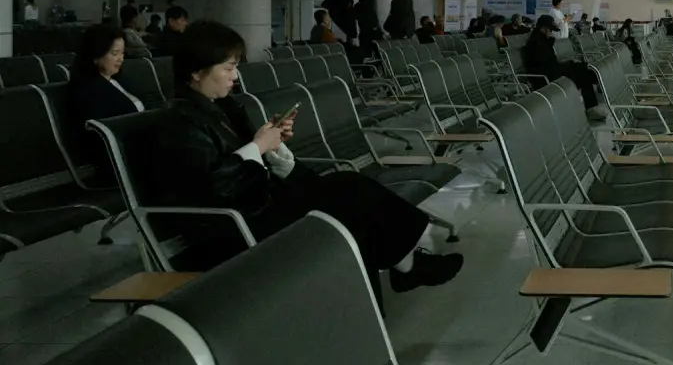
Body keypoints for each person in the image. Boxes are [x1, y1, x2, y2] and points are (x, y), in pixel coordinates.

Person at [152, 20, 463, 299]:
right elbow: (214, 186)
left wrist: (272, 143)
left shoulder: (224, 106)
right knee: (349, 195)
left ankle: (405, 266)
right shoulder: (180, 121)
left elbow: (244, 157)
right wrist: (259, 146)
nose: (235, 76)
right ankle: (406, 265)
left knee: (351, 195)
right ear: (196, 72)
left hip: (256, 203)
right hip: (230, 225)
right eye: (228, 68)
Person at [68, 24, 145, 174]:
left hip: (139, 146)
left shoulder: (120, 80)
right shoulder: (87, 89)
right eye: (115, 53)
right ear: (96, 55)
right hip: (119, 154)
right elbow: (104, 131)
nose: (121, 59)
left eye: (122, 53)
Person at [523, 14, 606, 121]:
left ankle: (592, 100)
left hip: (550, 73)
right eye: (550, 30)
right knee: (581, 71)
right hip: (544, 78)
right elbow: (546, 65)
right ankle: (592, 101)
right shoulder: (536, 44)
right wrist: (568, 65)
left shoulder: (540, 41)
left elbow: (550, 63)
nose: (551, 32)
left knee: (580, 70)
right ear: (543, 29)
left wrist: (568, 64)